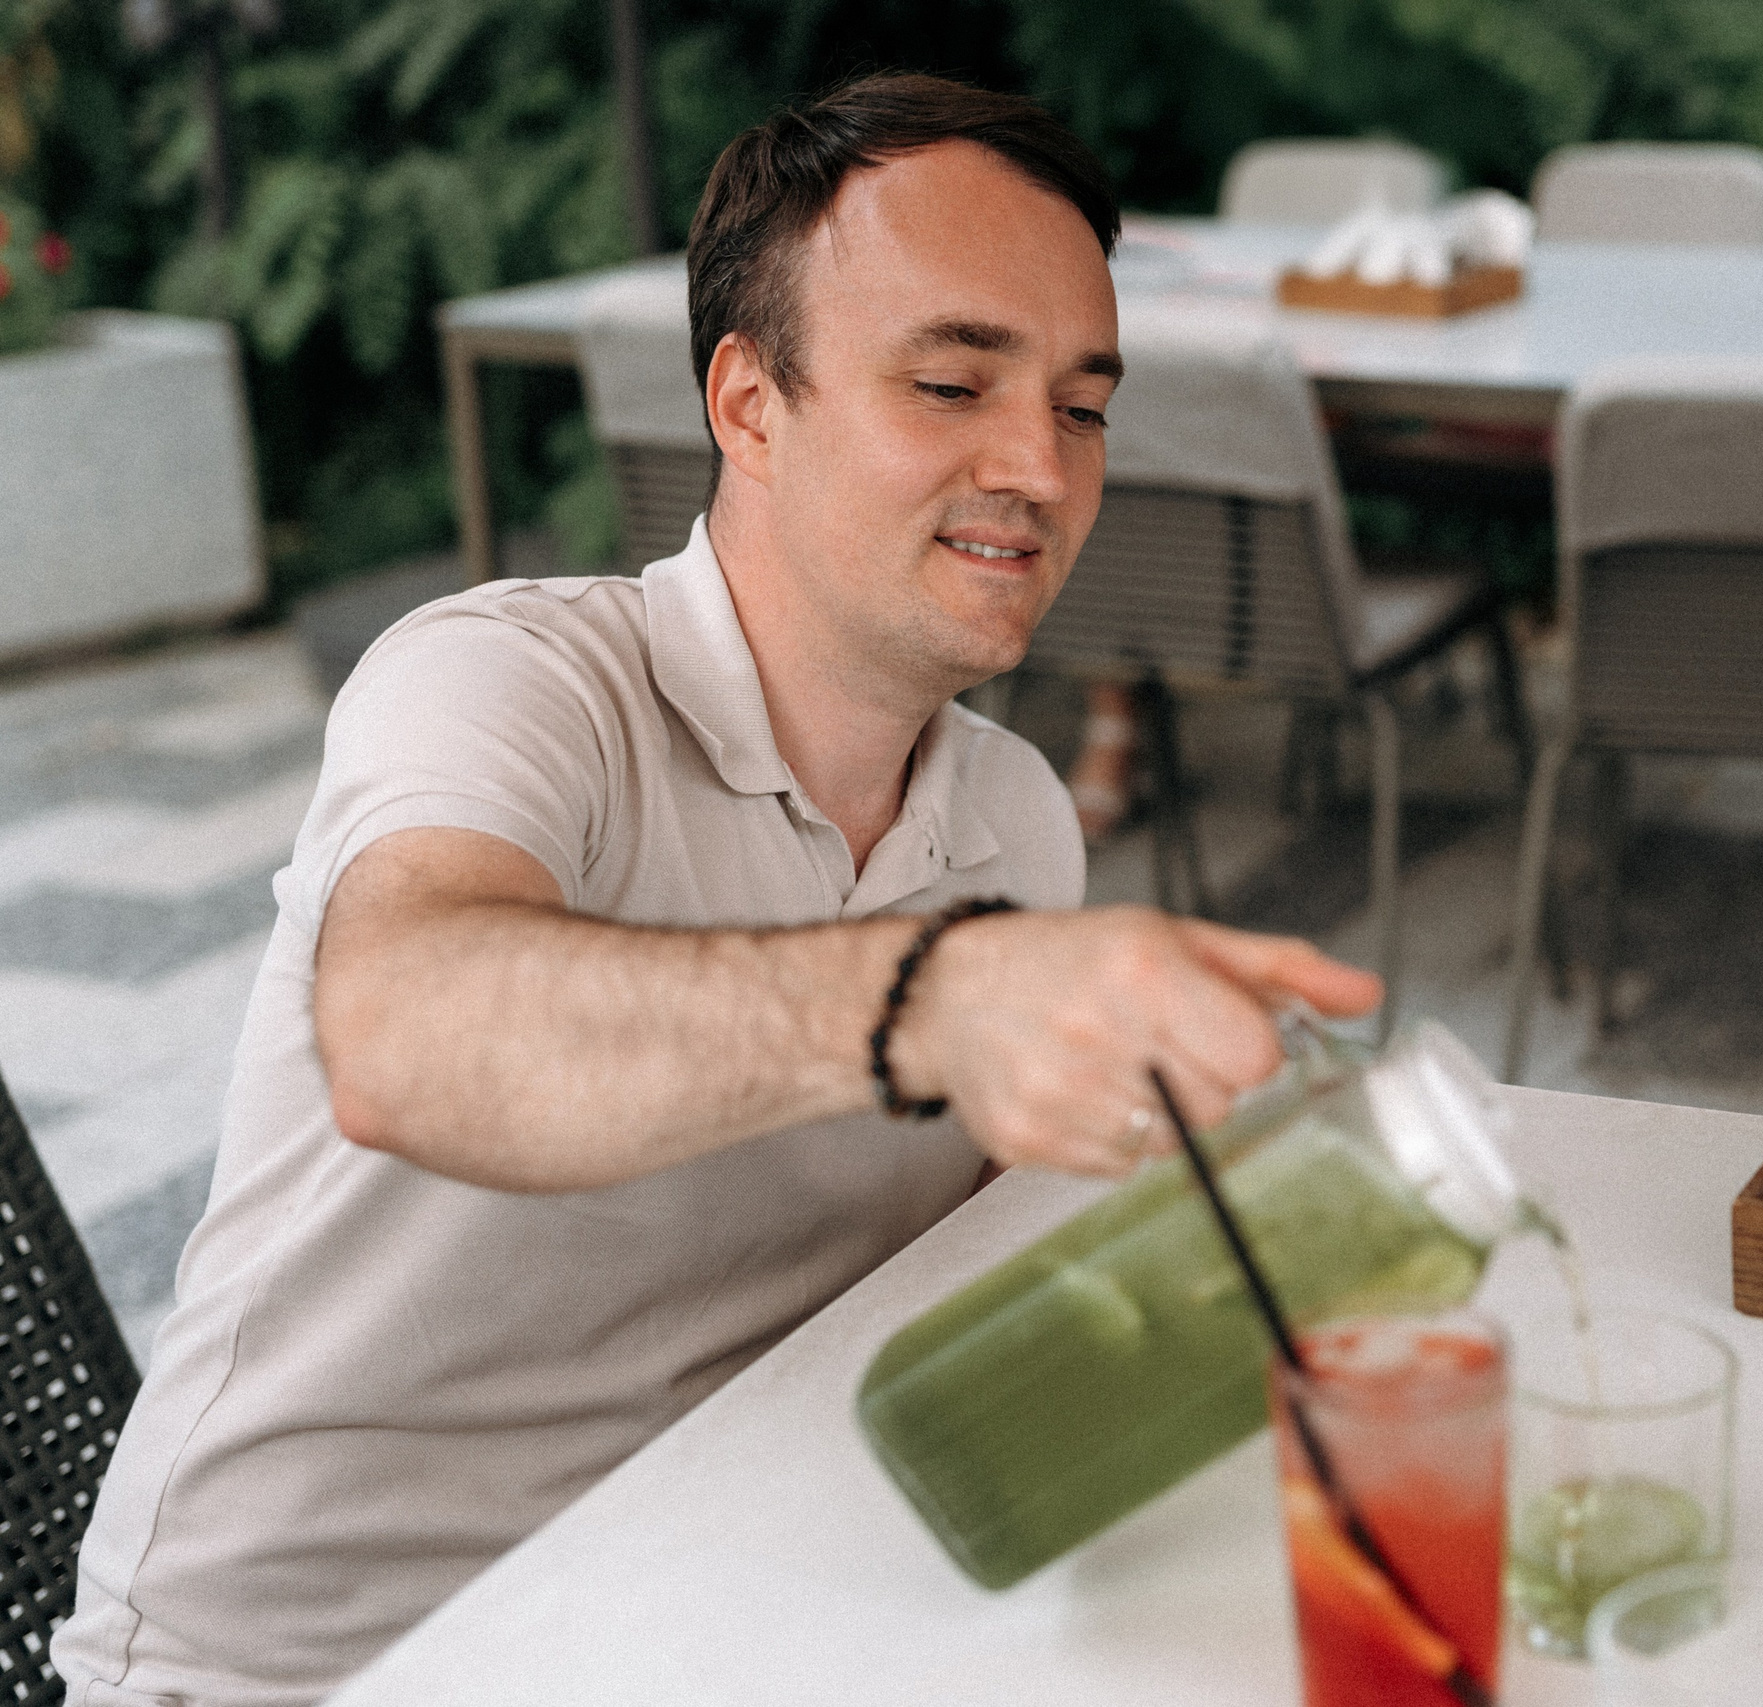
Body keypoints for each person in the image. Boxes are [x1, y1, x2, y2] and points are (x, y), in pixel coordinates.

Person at [55, 74, 1380, 1707]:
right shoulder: (510, 683)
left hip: (718, 1622)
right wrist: (937, 999)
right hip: (311, 1670)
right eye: (954, 381)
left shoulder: (1017, 820)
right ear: (748, 404)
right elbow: (406, 1035)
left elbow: (969, 1316)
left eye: (1084, 406)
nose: (1039, 467)